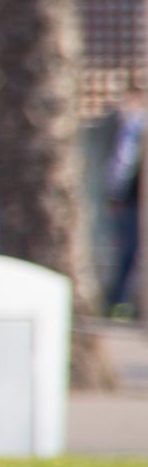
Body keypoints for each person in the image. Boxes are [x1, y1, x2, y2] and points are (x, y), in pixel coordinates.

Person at [103, 89, 145, 315]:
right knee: (128, 252)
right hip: (132, 200)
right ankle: (119, 303)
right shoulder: (132, 125)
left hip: (131, 199)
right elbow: (123, 162)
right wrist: (117, 193)